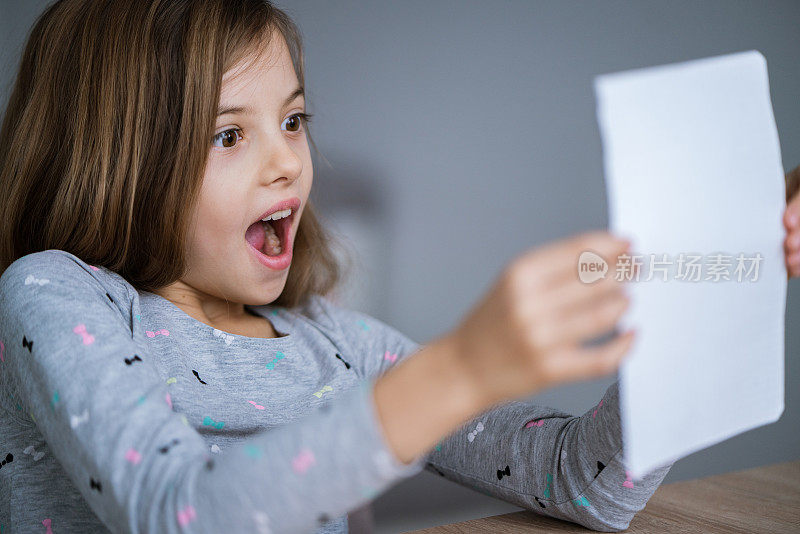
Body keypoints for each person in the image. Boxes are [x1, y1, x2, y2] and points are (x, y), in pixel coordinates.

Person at [1, 1, 797, 533]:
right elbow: (180, 513)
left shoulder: (338, 346)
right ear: (118, 160)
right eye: (229, 135)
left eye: (294, 119)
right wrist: (459, 369)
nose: (288, 163)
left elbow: (580, 482)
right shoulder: (55, 295)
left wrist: (713, 284)